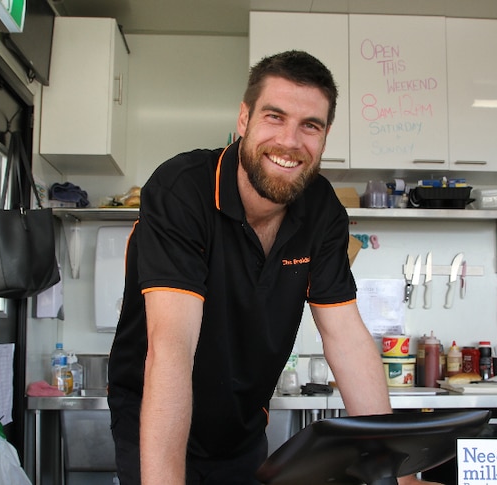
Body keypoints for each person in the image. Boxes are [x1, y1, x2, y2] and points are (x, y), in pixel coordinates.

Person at [107, 50, 439, 485]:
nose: (290, 141)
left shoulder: (322, 212)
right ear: (244, 119)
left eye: (310, 126)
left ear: (325, 135)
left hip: (242, 428)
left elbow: (347, 340)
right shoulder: (182, 191)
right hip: (154, 419)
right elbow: (171, 351)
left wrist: (395, 470)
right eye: (275, 117)